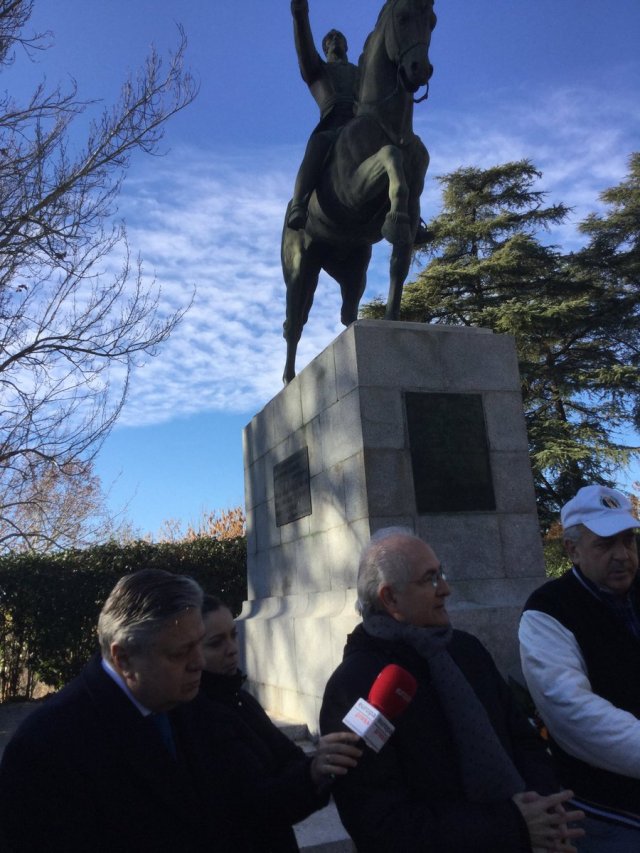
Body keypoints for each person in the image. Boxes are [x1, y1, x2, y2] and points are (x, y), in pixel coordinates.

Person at [0, 570, 328, 852]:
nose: (198, 662)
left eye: (199, 644)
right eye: (179, 653)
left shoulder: (197, 707)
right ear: (123, 658)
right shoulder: (45, 748)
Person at [320, 528, 583, 853]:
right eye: (429, 579)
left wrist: (542, 805)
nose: (445, 589)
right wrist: (510, 825)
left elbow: (521, 737)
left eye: (441, 574)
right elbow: (381, 823)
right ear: (390, 598)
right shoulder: (353, 687)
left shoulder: (466, 651)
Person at [519, 484, 640, 852]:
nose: (622, 555)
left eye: (628, 540)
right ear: (572, 550)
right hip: (611, 814)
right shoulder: (547, 611)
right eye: (605, 545)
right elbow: (573, 713)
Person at [199, 594, 362, 852]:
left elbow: (290, 757)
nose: (232, 648)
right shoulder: (200, 717)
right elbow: (254, 805)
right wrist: (311, 772)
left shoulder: (240, 698)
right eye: (216, 643)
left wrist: (314, 769)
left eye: (233, 635)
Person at [286, 0, 359, 230]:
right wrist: (300, 13)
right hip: (333, 125)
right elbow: (304, 48)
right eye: (330, 40)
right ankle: (299, 203)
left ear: (347, 46)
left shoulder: (361, 72)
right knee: (318, 143)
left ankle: (406, 210)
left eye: (339, 38)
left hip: (362, 124)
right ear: (325, 48)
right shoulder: (318, 70)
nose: (335, 40)